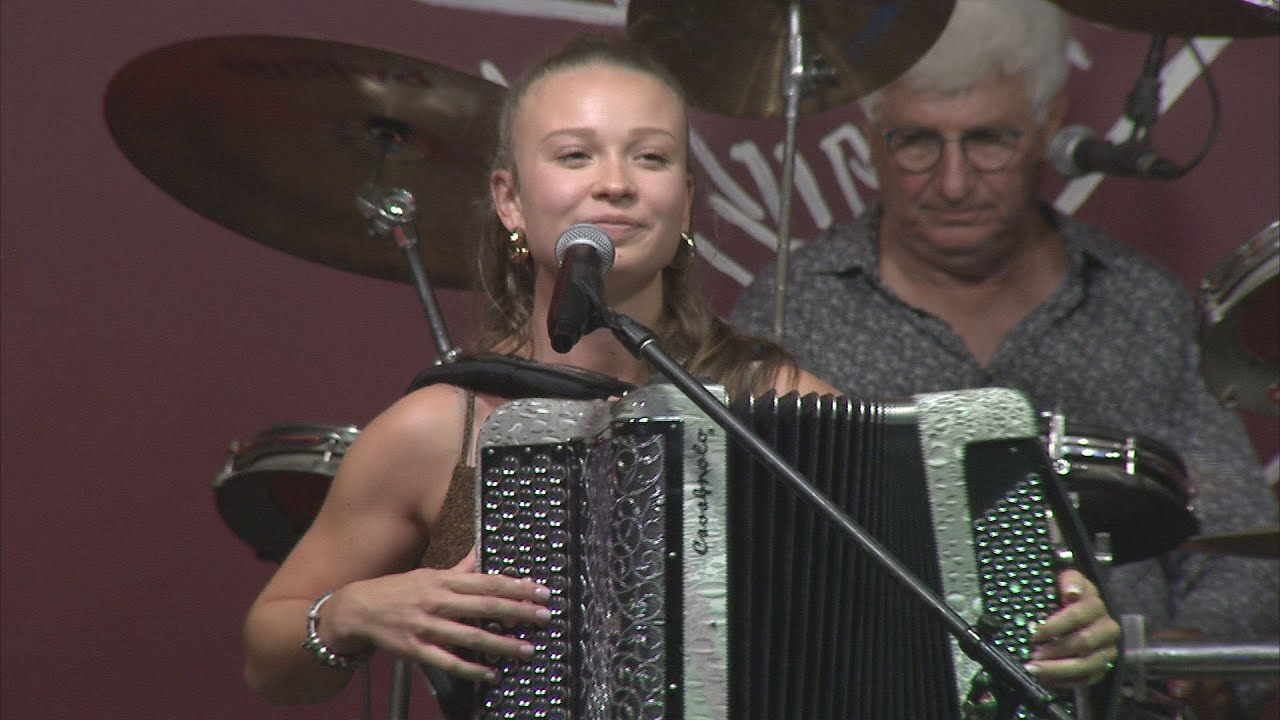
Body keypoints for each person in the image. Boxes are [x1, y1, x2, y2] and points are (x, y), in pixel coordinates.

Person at [242, 34, 1118, 713]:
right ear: (511, 197)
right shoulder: (444, 424)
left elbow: (953, 604)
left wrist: (1057, 621)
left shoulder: (776, 399)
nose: (616, 185)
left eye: (651, 157)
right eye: (576, 155)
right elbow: (269, 657)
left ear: (688, 199)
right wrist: (353, 612)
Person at [730, 1, 1280, 718]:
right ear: (869, 138)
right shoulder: (789, 308)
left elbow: (1233, 534)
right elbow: (742, 562)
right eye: (916, 142)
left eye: (989, 139)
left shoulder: (1138, 303)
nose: (954, 182)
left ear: (1050, 124)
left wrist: (1197, 651)